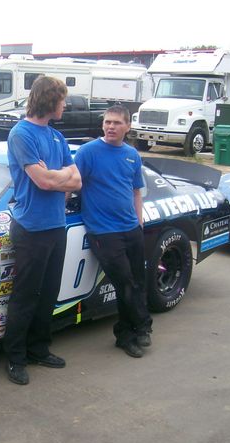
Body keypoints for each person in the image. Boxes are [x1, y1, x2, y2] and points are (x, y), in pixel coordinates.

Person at [3, 76, 82, 385]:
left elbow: (76, 181)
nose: (65, 105)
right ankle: (15, 357)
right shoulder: (21, 134)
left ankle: (38, 349)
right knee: (25, 296)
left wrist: (56, 176)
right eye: (62, 99)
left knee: (48, 293)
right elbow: (44, 182)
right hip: (31, 228)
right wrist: (57, 177)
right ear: (50, 100)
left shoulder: (57, 138)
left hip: (55, 226)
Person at [74, 104, 153, 359]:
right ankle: (140, 328)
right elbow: (71, 185)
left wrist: (138, 223)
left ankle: (126, 331)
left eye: (117, 123)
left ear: (128, 127)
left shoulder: (132, 155)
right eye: (107, 122)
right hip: (103, 231)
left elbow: (135, 191)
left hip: (131, 228)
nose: (110, 127)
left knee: (137, 282)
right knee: (125, 282)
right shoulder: (88, 152)